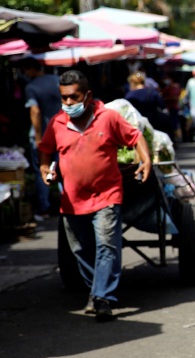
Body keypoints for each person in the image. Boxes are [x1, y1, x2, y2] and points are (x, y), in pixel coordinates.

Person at [38, 70, 152, 322]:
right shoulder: (57, 122)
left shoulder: (108, 118)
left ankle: (102, 297)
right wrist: (46, 169)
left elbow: (135, 137)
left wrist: (146, 160)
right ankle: (97, 290)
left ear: (88, 95)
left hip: (107, 195)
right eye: (64, 98)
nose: (68, 103)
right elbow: (45, 150)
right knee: (81, 249)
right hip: (72, 200)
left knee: (107, 246)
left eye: (73, 97)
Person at [18, 57, 61, 222]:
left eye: (25, 71)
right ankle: (69, 203)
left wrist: (38, 137)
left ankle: (44, 208)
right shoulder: (57, 80)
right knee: (63, 168)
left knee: (42, 171)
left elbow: (35, 111)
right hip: (62, 133)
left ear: (30, 69)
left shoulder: (31, 87)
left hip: (44, 136)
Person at [124, 72, 171, 136]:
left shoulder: (129, 95)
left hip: (137, 124)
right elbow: (162, 105)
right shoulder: (152, 92)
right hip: (153, 122)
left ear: (132, 83)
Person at [161, 73, 183, 142]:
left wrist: (166, 98)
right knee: (170, 125)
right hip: (168, 108)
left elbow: (175, 98)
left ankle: (175, 138)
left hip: (173, 108)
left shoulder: (174, 87)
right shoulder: (167, 88)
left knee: (174, 124)